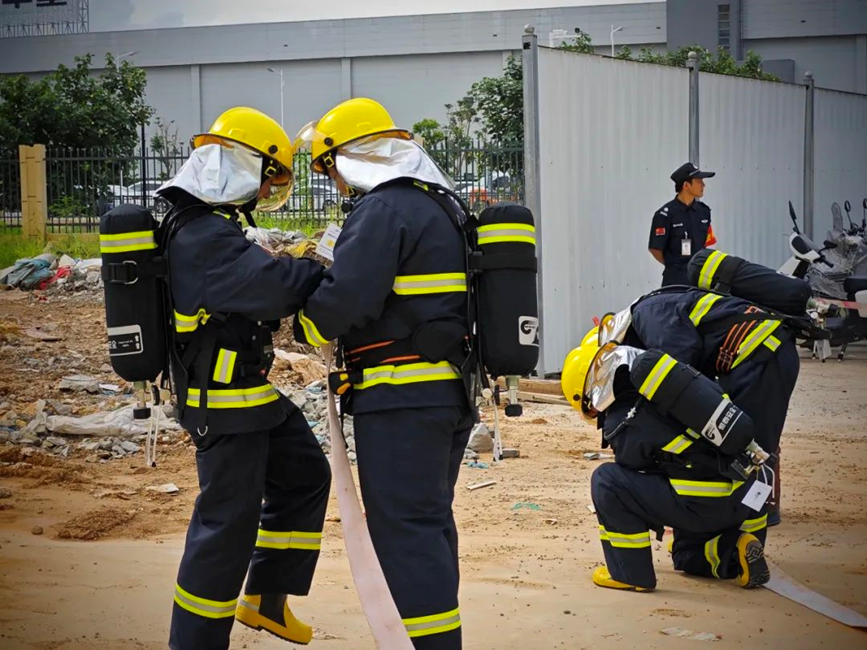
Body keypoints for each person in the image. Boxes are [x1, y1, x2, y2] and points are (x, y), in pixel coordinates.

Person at [292, 97, 474, 649]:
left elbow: (345, 300)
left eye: (332, 169)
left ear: (352, 157)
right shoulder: (442, 205)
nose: (336, 184)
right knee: (428, 523)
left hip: (400, 399)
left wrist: (306, 322)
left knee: (405, 532)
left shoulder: (384, 210)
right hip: (445, 393)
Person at [155, 107, 331, 650]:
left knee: (305, 474)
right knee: (226, 526)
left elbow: (253, 277)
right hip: (224, 402)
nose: (266, 193)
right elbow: (272, 289)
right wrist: (317, 266)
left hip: (247, 393)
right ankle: (195, 641)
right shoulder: (201, 234)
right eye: (268, 179)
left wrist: (289, 261)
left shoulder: (208, 227)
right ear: (245, 166)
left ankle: (265, 600)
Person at [561, 272, 802, 591]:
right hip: (744, 495)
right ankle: (738, 545)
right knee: (688, 550)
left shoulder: (630, 412)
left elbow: (634, 469)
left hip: (701, 500)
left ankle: (629, 573)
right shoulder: (685, 390)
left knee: (608, 481)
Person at [648, 162, 717, 287]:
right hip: (675, 280)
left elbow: (706, 242)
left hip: (699, 278)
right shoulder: (665, 214)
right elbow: (655, 249)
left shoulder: (704, 212)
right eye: (699, 181)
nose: (703, 185)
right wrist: (674, 265)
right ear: (686, 185)